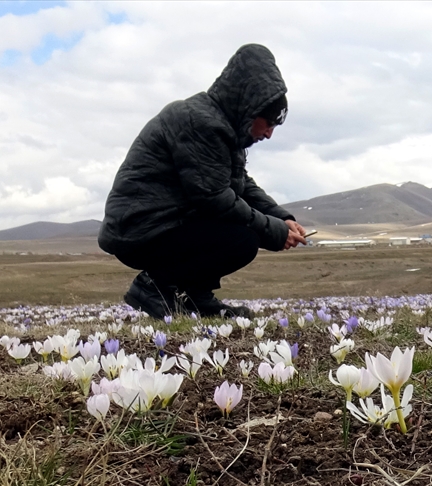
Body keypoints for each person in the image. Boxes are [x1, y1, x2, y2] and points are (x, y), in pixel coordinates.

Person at [98, 44, 307, 319]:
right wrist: (274, 230)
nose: (269, 134)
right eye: (268, 123)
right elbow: (214, 197)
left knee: (237, 232)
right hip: (140, 228)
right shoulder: (199, 122)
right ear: (250, 109)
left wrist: (281, 217)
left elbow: (242, 184)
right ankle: (152, 286)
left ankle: (194, 296)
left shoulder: (223, 128)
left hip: (160, 223)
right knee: (241, 239)